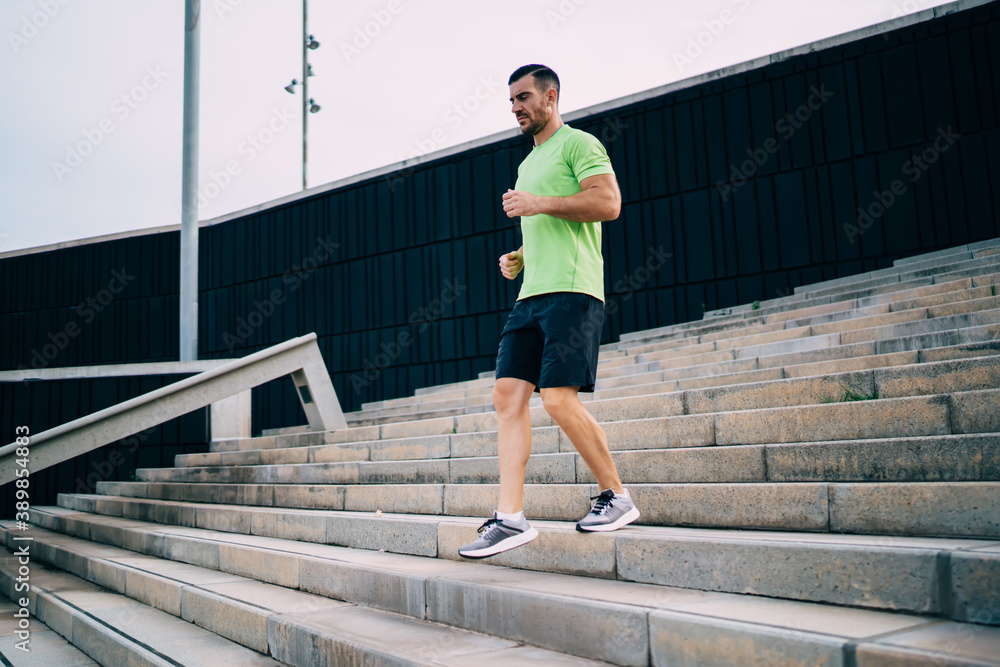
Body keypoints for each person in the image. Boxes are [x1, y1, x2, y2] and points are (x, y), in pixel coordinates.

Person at [459, 64, 639, 559]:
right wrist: (521, 256)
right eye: (511, 101)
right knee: (506, 397)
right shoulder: (527, 163)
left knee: (558, 400)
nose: (515, 107)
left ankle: (617, 496)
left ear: (550, 97)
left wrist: (537, 202)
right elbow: (546, 222)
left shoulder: (580, 144)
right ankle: (510, 518)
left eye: (522, 98)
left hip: (574, 291)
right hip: (532, 294)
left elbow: (607, 203)